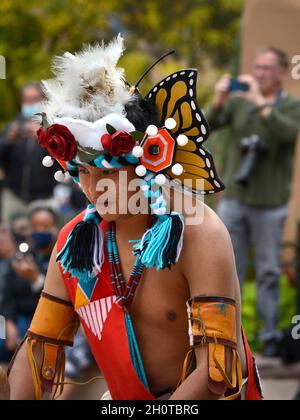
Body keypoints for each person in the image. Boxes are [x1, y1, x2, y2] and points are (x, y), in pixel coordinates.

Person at [7, 36, 262, 400]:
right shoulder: (73, 240)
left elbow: (215, 371)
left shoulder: (199, 231)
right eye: (82, 172)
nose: (93, 189)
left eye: (107, 173)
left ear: (144, 162)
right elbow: (38, 350)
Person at [206, 47, 300, 357]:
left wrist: (261, 104)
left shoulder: (291, 105)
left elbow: (287, 134)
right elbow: (205, 126)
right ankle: (229, 334)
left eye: (267, 69)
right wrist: (219, 100)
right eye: (257, 67)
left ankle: (269, 338)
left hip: (271, 204)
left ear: (282, 72)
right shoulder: (238, 102)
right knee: (228, 266)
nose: (260, 74)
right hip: (235, 200)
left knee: (269, 271)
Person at [0, 207, 58, 362]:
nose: (40, 230)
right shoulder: (23, 255)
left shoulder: (60, 258)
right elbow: (6, 295)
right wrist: (9, 323)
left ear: (55, 228)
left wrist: (36, 279)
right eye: (36, 226)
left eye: (45, 226)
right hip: (14, 318)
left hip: (42, 320)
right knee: (2, 338)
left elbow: (58, 299)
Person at [0, 82, 57, 224]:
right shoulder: (12, 127)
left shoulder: (54, 128)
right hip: (14, 197)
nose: (29, 104)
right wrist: (9, 141)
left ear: (43, 101)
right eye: (26, 100)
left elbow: (61, 159)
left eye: (34, 99)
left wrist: (44, 138)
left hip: (45, 199)